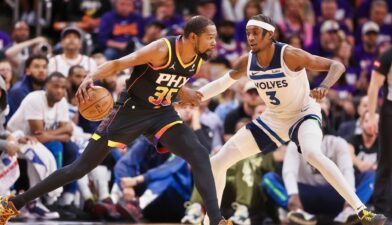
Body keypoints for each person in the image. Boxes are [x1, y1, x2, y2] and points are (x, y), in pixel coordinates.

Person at [0, 16, 230, 225]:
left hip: (162, 113)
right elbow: (119, 63)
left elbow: (165, 80)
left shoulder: (198, 60)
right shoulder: (162, 48)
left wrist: (182, 91)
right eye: (210, 37)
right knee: (79, 169)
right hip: (129, 111)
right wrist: (91, 76)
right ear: (192, 37)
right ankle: (14, 204)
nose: (214, 42)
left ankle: (216, 220)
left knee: (199, 154)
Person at [187, 14, 386, 225]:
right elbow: (220, 84)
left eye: (255, 33)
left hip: (303, 113)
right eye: (248, 34)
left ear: (269, 35)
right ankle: (211, 220)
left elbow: (337, 66)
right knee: (217, 162)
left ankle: (362, 211)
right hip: (274, 118)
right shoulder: (247, 61)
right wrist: (194, 96)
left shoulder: (290, 55)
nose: (250, 38)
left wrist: (324, 86)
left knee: (311, 153)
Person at [365, 21, 392, 225]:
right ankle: (380, 212)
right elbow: (373, 86)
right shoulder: (389, 54)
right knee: (386, 161)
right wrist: (371, 116)